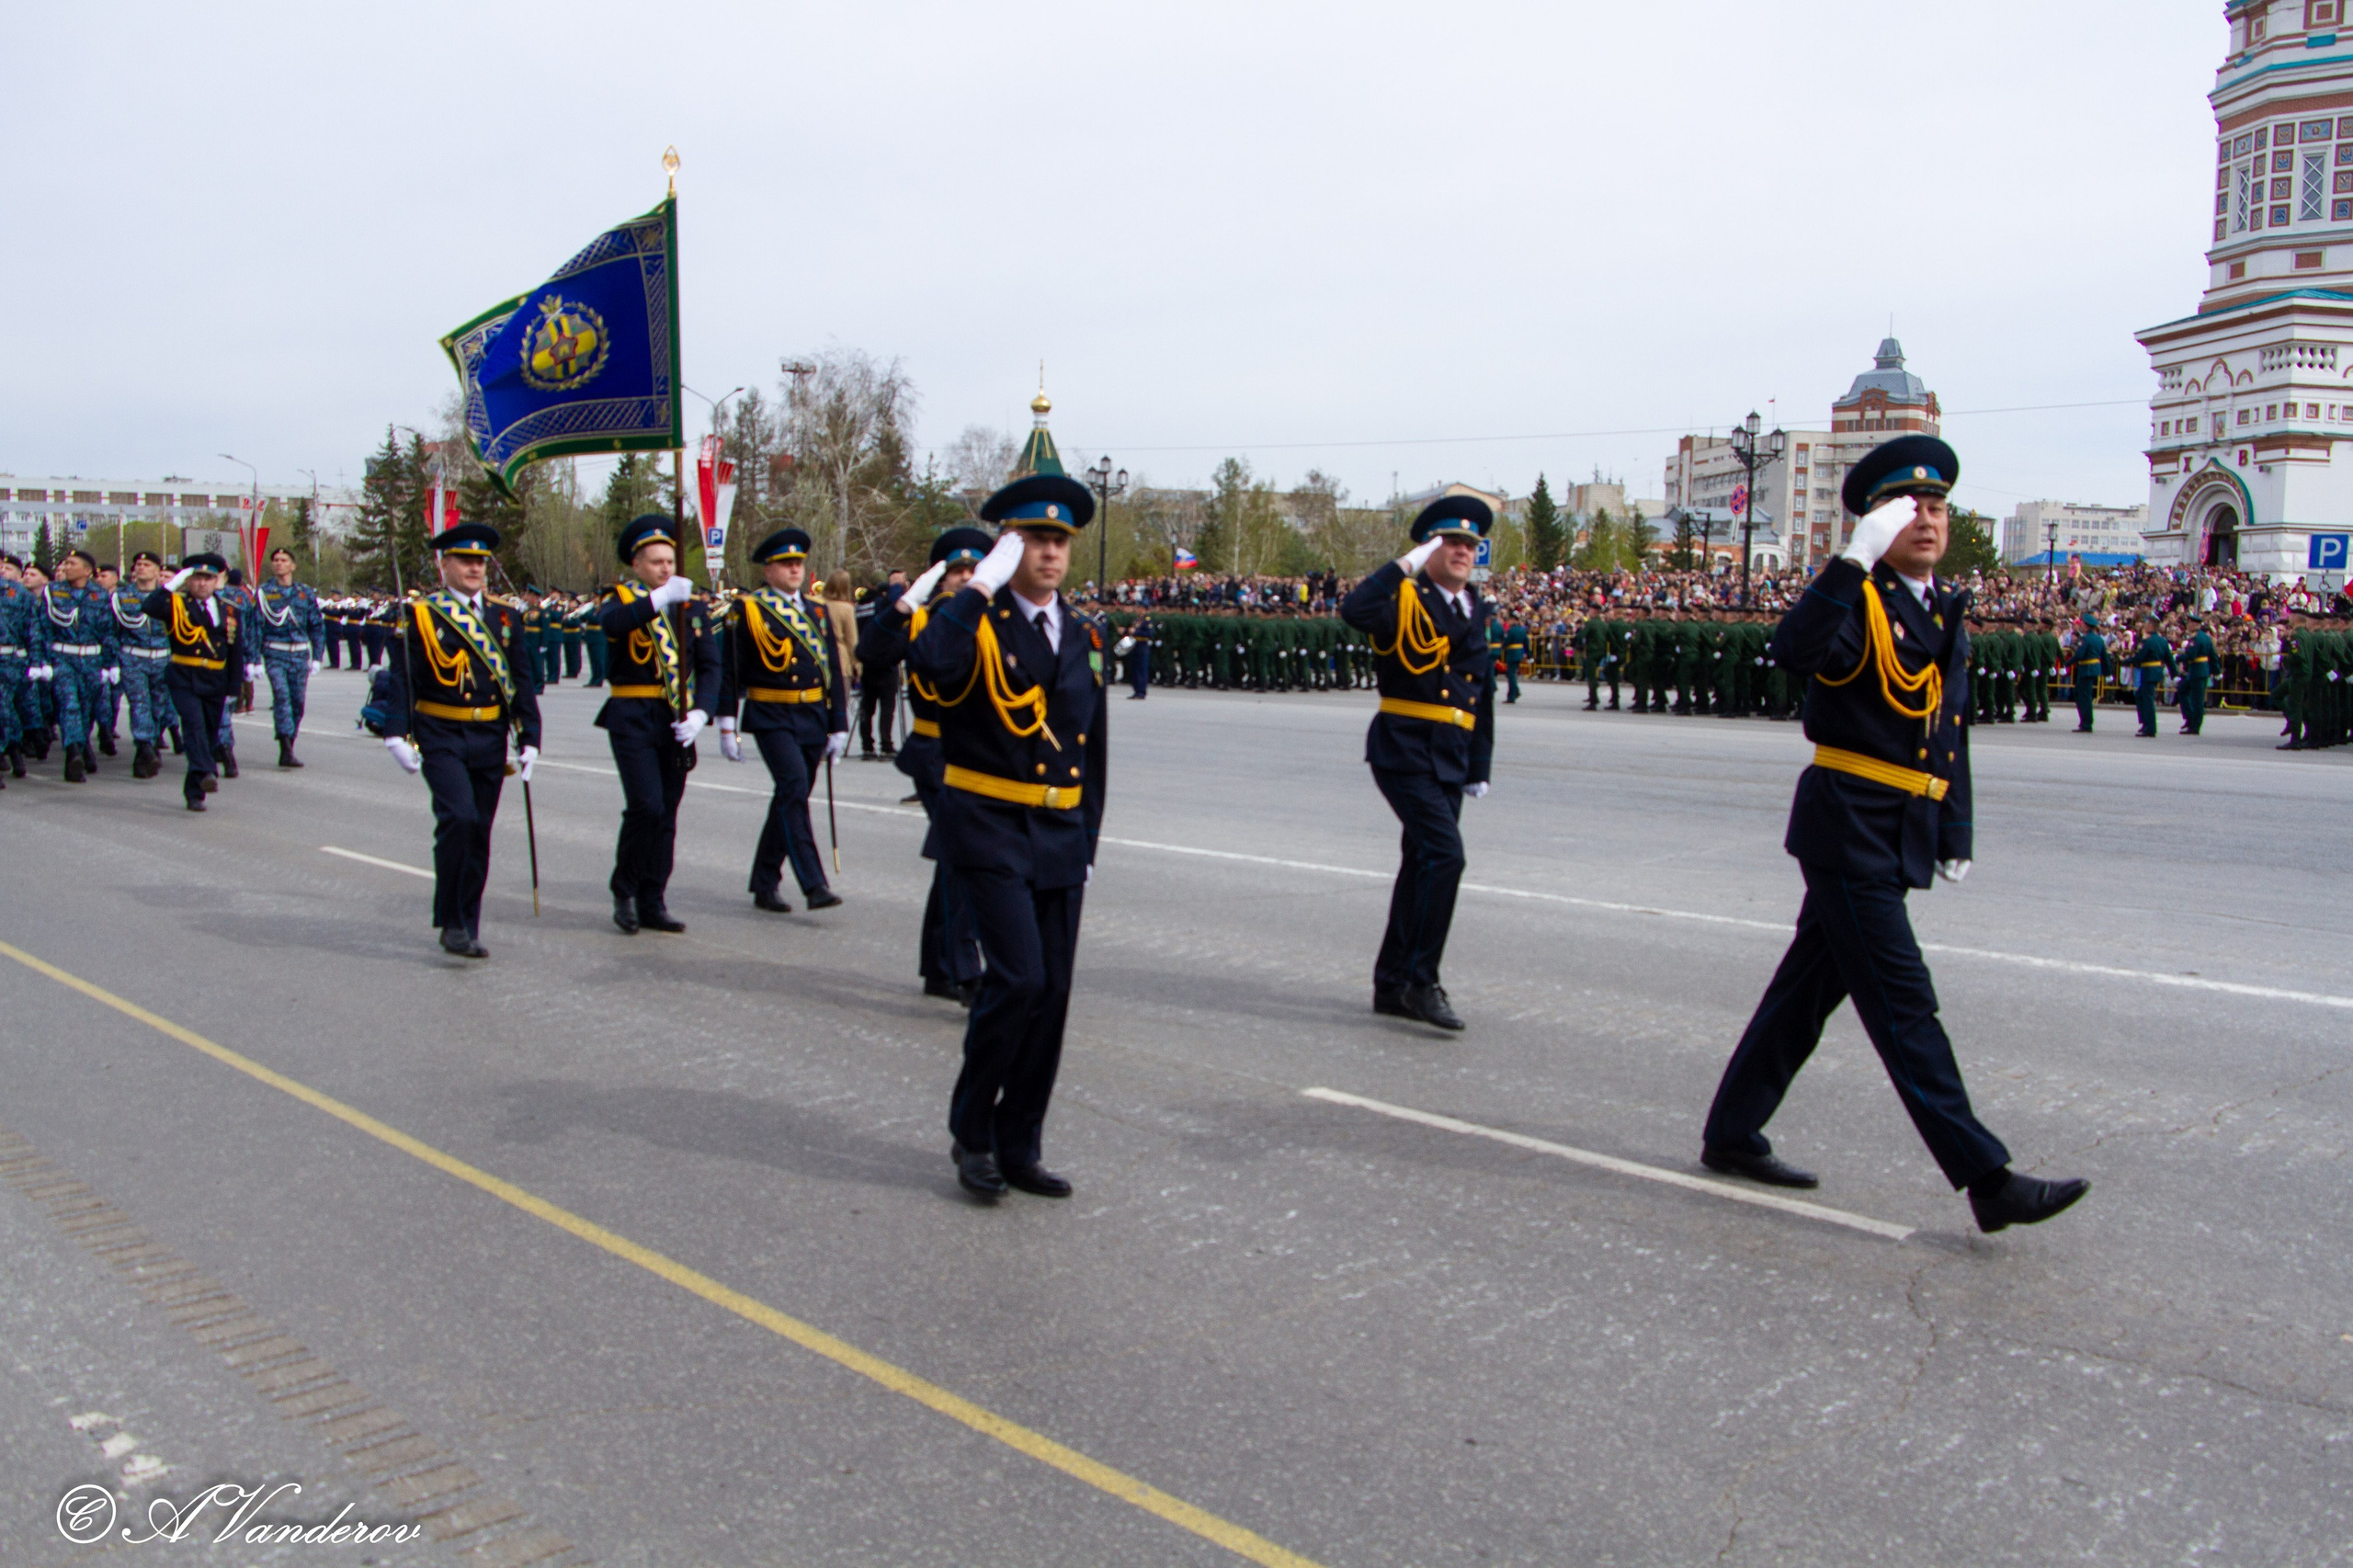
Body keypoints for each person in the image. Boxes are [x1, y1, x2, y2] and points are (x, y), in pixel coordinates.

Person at [1699, 435, 2088, 1235]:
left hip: (1901, 823)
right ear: (1879, 523)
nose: (1928, 520)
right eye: (1909, 508)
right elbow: (1794, 651)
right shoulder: (1860, 601)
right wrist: (1849, 561)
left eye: (1938, 506)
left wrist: (1956, 825)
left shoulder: (1941, 607)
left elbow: (1951, 728)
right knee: (1905, 1003)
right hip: (1847, 827)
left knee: (1804, 995)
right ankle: (1988, 1179)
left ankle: (1732, 1133)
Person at [907, 475, 1108, 1203]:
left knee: (1051, 993)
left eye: (1059, 540)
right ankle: (972, 1132)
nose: (1050, 552)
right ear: (1007, 546)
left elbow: (1094, 744)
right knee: (1017, 978)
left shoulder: (1086, 631)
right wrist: (974, 590)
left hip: (1058, 831)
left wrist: (1088, 838)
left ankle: (1021, 1142)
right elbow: (928, 664)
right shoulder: (974, 625)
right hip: (988, 826)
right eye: (1033, 540)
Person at [1337, 495, 1497, 1033]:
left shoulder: (1477, 609)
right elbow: (1354, 611)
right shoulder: (1402, 598)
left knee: (1421, 864)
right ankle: (1423, 981)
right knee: (1445, 857)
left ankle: (1391, 984)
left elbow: (1483, 695)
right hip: (1404, 747)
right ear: (1429, 548)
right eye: (1450, 542)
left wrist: (1479, 766)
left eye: (1470, 545)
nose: (1461, 551)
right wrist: (1403, 563)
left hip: (1451, 756)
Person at [378, 523, 542, 957]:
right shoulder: (419, 614)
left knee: (480, 832)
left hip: (488, 734)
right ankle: (451, 920)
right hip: (440, 731)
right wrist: (395, 732)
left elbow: (521, 680)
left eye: (481, 561)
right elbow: (403, 678)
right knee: (459, 819)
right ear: (443, 564)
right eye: (465, 560)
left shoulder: (504, 616)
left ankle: (467, 922)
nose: (475, 568)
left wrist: (530, 736)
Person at [863, 526, 991, 1004]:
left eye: (972, 569)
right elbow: (870, 653)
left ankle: (938, 966)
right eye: (955, 570)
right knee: (964, 857)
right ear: (939, 578)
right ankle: (965, 969)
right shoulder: (922, 621)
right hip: (937, 753)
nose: (963, 578)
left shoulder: (996, 618)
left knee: (954, 861)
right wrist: (900, 604)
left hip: (982, 755)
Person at [713, 528, 850, 915]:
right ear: (768, 570)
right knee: (791, 788)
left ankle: (764, 880)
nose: (795, 569)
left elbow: (831, 670)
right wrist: (727, 722)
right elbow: (731, 670)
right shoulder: (748, 610)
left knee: (789, 799)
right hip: (771, 714)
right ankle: (814, 884)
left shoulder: (817, 611)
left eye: (798, 563)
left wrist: (838, 722)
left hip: (811, 715)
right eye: (786, 564)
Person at [596, 515, 721, 935]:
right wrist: (660, 597)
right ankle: (624, 889)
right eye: (656, 562)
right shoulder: (619, 599)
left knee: (667, 813)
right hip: (632, 717)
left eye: (670, 561)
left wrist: (702, 712)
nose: (666, 569)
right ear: (637, 565)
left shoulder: (692, 605)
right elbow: (612, 626)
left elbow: (709, 665)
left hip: (676, 721)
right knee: (646, 806)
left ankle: (654, 898)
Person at [139, 553, 240, 811]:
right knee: (193, 727)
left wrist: (234, 688)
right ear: (188, 580)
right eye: (197, 578)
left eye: (208, 578)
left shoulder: (229, 608)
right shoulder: (176, 604)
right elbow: (149, 607)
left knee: (207, 733)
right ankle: (207, 771)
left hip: (215, 678)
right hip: (184, 676)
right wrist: (172, 584)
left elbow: (235, 650)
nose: (202, 584)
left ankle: (194, 793)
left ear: (216, 580)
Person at [30, 549, 119, 782]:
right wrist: (42, 661)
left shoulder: (99, 595)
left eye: (72, 563)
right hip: (63, 657)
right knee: (69, 705)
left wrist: (110, 664)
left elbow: (107, 631)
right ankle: (73, 755)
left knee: (87, 709)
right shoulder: (54, 591)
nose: (66, 567)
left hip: (91, 659)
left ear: (87, 571)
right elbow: (42, 627)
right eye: (66, 563)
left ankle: (82, 745)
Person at [249, 546, 324, 768]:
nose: (279, 563)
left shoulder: (304, 593)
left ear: (293, 566)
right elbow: (255, 628)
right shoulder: (264, 593)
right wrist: (254, 660)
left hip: (300, 655)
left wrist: (318, 656)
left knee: (297, 703)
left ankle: (290, 741)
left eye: (283, 560)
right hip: (275, 653)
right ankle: (285, 747)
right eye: (275, 560)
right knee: (282, 697)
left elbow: (317, 626)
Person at [111, 551, 173, 778]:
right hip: (133, 657)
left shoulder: (169, 596)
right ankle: (145, 746)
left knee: (160, 706)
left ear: (158, 571)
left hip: (163, 658)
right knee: (139, 704)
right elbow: (113, 631)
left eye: (147, 564)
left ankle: (147, 748)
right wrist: (112, 662)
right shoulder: (121, 596)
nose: (141, 568)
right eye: (138, 564)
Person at [855, 570, 904, 757]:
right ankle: (886, 744)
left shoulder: (860, 604)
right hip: (885, 660)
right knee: (886, 707)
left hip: (866, 661)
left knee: (867, 707)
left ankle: (867, 745)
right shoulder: (881, 603)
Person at [2130, 613, 2176, 739]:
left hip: (2149, 671)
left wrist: (2127, 662)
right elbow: (2169, 659)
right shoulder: (2162, 641)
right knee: (2141, 695)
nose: (2145, 626)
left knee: (2147, 699)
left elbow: (2140, 656)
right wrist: (2174, 674)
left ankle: (2149, 727)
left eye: (2147, 624)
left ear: (2152, 627)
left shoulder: (2149, 641)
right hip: (2156, 672)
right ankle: (2146, 724)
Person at [2069, 614, 2112, 733]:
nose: (2081, 627)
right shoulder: (2099, 639)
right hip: (2094, 669)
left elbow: (2079, 655)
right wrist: (2108, 673)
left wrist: (2066, 664)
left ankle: (2086, 723)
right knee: (2083, 695)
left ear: (2088, 627)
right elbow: (2104, 657)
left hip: (2086, 669)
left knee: (2083, 696)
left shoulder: (2085, 639)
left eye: (2083, 625)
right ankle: (2085, 721)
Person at [2177, 615, 2217, 735]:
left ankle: (2195, 726)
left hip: (2198, 671)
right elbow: (2213, 655)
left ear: (2195, 625)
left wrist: (2179, 657)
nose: (2188, 625)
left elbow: (2191, 655)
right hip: (2198, 670)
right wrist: (2217, 670)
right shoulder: (2205, 637)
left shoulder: (2197, 638)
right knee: (2182, 689)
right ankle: (2190, 717)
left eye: (2190, 623)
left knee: (2197, 700)